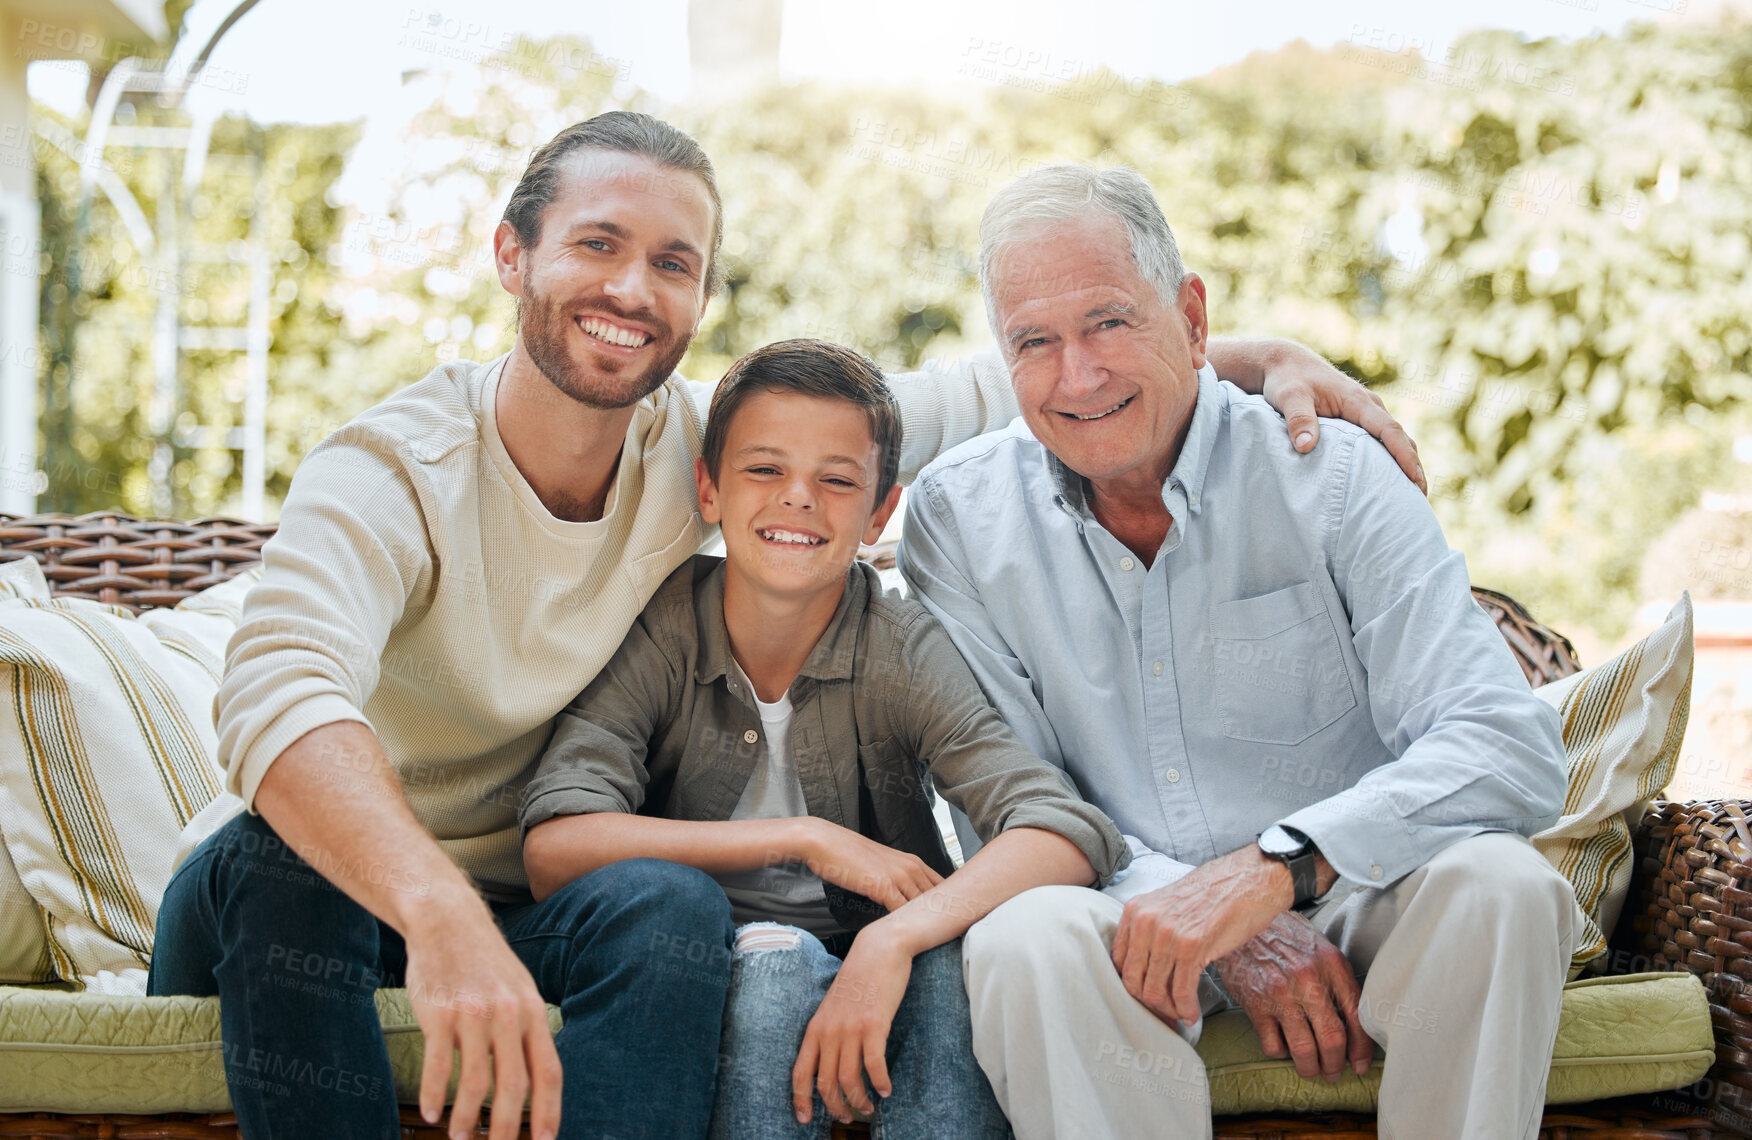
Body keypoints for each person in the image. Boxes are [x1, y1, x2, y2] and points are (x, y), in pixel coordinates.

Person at [148, 109, 1425, 1140]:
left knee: (664, 908)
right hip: (333, 898)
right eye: (596, 244)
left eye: (673, 263)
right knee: (279, 861)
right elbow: (279, 693)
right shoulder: (391, 467)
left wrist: (1252, 359)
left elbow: (1014, 383)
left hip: (542, 897)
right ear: (512, 255)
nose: (630, 289)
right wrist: (438, 918)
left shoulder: (717, 454)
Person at [899, 163, 1582, 1140]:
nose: (1077, 376)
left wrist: (1273, 873)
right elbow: (1010, 807)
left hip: (1360, 889)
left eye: (1109, 323)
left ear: (1190, 315)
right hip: (1120, 914)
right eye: (1034, 342)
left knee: (1505, 889)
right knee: (1024, 936)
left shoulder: (1334, 473)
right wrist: (1209, 921)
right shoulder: (958, 520)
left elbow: (1506, 745)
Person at [519, 338, 1128, 1139]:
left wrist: (896, 938)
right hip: (714, 953)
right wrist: (807, 838)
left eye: (838, 480)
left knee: (950, 974)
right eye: (764, 470)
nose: (798, 499)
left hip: (879, 939)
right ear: (708, 488)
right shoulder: (665, 625)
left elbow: (1065, 830)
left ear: (881, 511)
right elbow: (553, 848)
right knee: (774, 970)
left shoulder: (899, 644)